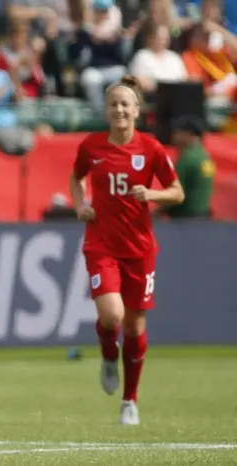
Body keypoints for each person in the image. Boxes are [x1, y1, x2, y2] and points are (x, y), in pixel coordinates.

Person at [68, 76, 184, 425]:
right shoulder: (91, 146)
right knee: (113, 316)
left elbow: (177, 192)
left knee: (134, 325)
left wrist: (153, 195)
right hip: (102, 243)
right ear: (106, 110)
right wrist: (79, 206)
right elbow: (76, 178)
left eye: (125, 104)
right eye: (113, 104)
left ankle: (129, 400)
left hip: (139, 247)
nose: (119, 109)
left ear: (136, 110)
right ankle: (107, 353)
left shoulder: (150, 148)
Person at [164, 115, 214, 218]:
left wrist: (156, 213)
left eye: (177, 132)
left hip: (185, 219)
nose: (174, 136)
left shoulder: (187, 159)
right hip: (203, 216)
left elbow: (175, 194)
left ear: (188, 134)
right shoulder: (205, 156)